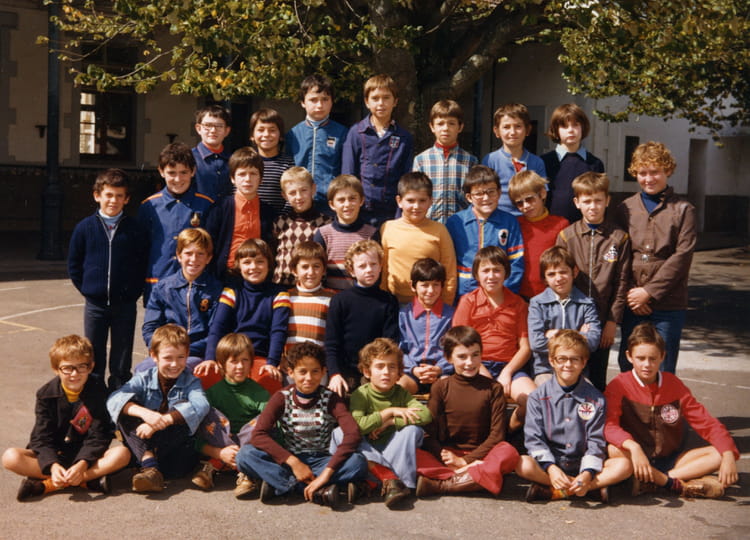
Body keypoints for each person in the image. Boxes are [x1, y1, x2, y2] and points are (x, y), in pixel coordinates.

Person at [605, 323, 739, 498]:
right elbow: (609, 425)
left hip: (672, 460)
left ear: (662, 356)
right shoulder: (619, 384)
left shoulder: (673, 384)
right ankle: (676, 484)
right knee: (614, 450)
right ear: (629, 357)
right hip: (637, 458)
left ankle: (658, 481)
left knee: (719, 454)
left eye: (653, 359)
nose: (647, 364)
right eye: (641, 358)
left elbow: (706, 422)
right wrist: (634, 446)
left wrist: (728, 453)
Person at [234, 342, 368, 508]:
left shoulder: (331, 398)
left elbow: (352, 433)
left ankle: (284, 485)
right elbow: (258, 434)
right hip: (289, 459)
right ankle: (315, 490)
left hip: (321, 460)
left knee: (358, 462)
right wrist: (294, 463)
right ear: (291, 372)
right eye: (302, 372)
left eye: (315, 371)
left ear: (324, 371)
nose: (309, 378)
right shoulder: (281, 397)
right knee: (244, 455)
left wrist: (326, 474)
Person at [2, 335, 131, 501]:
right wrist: (52, 465)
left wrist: (82, 463)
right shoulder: (45, 394)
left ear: (91, 366)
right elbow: (40, 438)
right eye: (67, 368)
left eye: (81, 367)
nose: (75, 374)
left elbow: (99, 435)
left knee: (122, 454)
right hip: (55, 455)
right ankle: (85, 481)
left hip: (86, 456)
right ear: (56, 369)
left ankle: (50, 484)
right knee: (10, 457)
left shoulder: (98, 391)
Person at [516, 330, 631, 502]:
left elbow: (596, 440)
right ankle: (585, 489)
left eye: (574, 359)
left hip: (582, 462)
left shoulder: (596, 398)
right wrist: (551, 468)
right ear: (551, 361)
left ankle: (563, 489)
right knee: (522, 463)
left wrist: (587, 473)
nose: (568, 365)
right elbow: (534, 439)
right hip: (552, 463)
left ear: (584, 362)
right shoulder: (537, 397)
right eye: (561, 359)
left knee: (624, 465)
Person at [615, 142, 696, 374]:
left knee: (663, 367)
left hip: (668, 304)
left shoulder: (684, 209)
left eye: (655, 172)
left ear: (667, 171)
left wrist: (649, 292)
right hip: (633, 303)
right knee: (629, 366)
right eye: (642, 173)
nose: (648, 179)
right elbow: (618, 254)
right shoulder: (625, 208)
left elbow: (682, 257)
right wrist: (632, 292)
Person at [415, 326, 519, 498]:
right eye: (462, 357)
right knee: (414, 454)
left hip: (482, 455)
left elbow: (497, 435)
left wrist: (465, 461)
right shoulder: (441, 387)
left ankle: (442, 485)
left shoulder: (493, 388)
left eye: (475, 355)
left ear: (481, 354)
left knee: (508, 453)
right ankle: (473, 478)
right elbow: (428, 432)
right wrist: (444, 456)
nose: (470, 363)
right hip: (449, 455)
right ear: (449, 358)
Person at [68, 168, 147, 389]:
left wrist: (133, 291)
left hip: (125, 304)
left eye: (119, 196)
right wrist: (89, 290)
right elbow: (74, 264)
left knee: (122, 355)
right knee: (93, 353)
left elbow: (142, 263)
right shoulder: (84, 228)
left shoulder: (135, 229)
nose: (113, 200)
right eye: (109, 195)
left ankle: (119, 395)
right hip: (96, 306)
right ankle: (95, 395)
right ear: (97, 195)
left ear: (127, 199)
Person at [107, 324, 210, 493]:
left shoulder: (191, 381)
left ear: (187, 355)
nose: (174, 364)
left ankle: (146, 465)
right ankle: (150, 466)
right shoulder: (144, 378)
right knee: (125, 408)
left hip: (174, 448)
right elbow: (114, 399)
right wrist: (145, 413)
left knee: (185, 407)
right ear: (154, 356)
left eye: (180, 357)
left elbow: (202, 405)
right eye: (168, 358)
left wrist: (163, 421)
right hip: (144, 440)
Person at [556, 171, 631, 390]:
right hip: (572, 319)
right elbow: (559, 280)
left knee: (597, 378)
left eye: (598, 200)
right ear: (577, 203)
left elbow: (621, 282)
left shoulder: (619, 238)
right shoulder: (566, 237)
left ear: (607, 201)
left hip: (602, 319)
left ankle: (596, 411)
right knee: (569, 373)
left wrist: (612, 321)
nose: (593, 206)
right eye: (587, 201)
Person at [340, 337, 431, 508]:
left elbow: (425, 415)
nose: (386, 372)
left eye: (392, 367)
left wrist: (390, 422)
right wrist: (388, 412)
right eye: (380, 366)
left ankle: (374, 482)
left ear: (399, 372)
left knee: (413, 431)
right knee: (339, 433)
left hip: (393, 449)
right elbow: (357, 426)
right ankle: (391, 480)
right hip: (368, 450)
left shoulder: (400, 393)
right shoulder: (361, 394)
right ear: (367, 372)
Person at [453, 246, 535, 430]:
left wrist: (507, 373)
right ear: (476, 274)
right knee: (479, 402)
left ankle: (508, 432)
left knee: (533, 401)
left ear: (506, 273)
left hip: (510, 367)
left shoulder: (518, 304)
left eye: (497, 270)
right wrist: (482, 372)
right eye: (486, 270)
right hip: (475, 366)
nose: (491, 276)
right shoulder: (468, 301)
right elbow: (459, 344)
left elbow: (525, 347)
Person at [202, 239, 290, 393]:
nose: (253, 267)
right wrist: (210, 358)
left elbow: (278, 331)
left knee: (270, 379)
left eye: (260, 262)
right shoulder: (232, 291)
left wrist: (272, 362)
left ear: (269, 264)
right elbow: (218, 326)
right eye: (247, 262)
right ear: (239, 265)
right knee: (206, 375)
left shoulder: (279, 294)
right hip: (232, 355)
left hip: (259, 356)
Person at [192, 333, 269, 498]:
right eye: (234, 361)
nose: (240, 366)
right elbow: (198, 434)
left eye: (245, 360)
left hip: (248, 443)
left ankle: (238, 468)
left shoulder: (259, 393)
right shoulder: (214, 392)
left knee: (266, 419)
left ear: (251, 363)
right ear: (221, 364)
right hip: (220, 442)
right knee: (207, 412)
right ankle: (225, 461)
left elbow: (271, 423)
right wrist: (219, 452)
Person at [138, 227, 222, 374]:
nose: (194, 259)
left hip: (197, 354)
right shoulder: (163, 288)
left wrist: (183, 351)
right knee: (143, 370)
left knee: (183, 370)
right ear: (179, 255)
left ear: (208, 258)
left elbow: (216, 331)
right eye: (188, 253)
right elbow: (150, 327)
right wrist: (164, 349)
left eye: (200, 254)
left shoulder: (216, 290)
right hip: (166, 351)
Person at [138, 142, 214, 303]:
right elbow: (141, 249)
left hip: (195, 283)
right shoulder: (149, 206)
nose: (178, 179)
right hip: (158, 282)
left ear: (193, 171)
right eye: (171, 173)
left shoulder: (206, 205)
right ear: (161, 171)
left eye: (183, 172)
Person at [325, 239, 399, 397]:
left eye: (373, 264)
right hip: (346, 371)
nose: (369, 270)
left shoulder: (388, 301)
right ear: (351, 271)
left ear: (381, 266)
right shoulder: (340, 301)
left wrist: (376, 371)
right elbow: (331, 343)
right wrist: (334, 374)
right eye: (362, 266)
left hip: (376, 370)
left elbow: (389, 342)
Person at [342, 74, 414, 227]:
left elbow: (405, 180)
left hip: (392, 213)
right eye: (375, 98)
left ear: (395, 101)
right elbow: (348, 175)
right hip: (360, 212)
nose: (381, 103)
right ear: (367, 102)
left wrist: (400, 215)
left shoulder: (404, 137)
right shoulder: (356, 133)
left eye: (386, 98)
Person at [446, 165, 525, 297]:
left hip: (499, 294)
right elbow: (447, 262)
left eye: (491, 192)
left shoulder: (509, 222)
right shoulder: (455, 223)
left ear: (499, 193)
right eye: (479, 194)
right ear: (469, 197)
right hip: (464, 293)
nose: (486, 198)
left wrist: (505, 292)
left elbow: (516, 262)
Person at [380, 172, 457, 305]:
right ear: (399, 201)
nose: (416, 206)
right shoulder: (388, 228)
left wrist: (445, 305)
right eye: (410, 201)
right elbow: (383, 269)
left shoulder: (439, 230)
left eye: (422, 201)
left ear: (431, 201)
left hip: (429, 304)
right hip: (394, 302)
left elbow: (449, 272)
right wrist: (383, 301)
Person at [528, 246, 601, 384]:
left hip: (577, 371)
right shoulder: (537, 303)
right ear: (544, 279)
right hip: (546, 370)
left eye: (563, 272)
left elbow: (593, 341)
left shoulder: (586, 303)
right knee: (546, 394)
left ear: (574, 272)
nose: (558, 278)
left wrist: (556, 334)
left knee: (588, 394)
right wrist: (579, 335)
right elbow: (536, 343)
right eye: (551, 274)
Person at [206, 146, 277, 280]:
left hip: (257, 276)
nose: (248, 179)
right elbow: (209, 245)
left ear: (261, 178)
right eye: (242, 174)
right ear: (232, 178)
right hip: (225, 276)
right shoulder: (219, 209)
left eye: (253, 174)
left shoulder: (269, 212)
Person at [285, 74, 348, 213]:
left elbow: (345, 170)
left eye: (325, 99)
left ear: (332, 102)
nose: (319, 105)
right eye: (313, 100)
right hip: (299, 203)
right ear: (303, 102)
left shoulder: (342, 133)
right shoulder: (293, 134)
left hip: (330, 205)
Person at [412, 99, 478, 224]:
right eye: (440, 123)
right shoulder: (421, 160)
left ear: (460, 127)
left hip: (461, 225)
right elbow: (415, 194)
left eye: (451, 123)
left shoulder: (470, 161)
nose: (446, 128)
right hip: (429, 224)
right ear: (432, 127)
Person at [508, 170, 569, 299]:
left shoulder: (560, 225)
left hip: (550, 295)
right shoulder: (515, 225)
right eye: (519, 203)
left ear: (542, 193)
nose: (526, 206)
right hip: (519, 295)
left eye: (530, 199)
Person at [313, 175, 380, 290]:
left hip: (362, 297)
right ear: (332, 204)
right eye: (341, 200)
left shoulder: (371, 234)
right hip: (330, 297)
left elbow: (377, 271)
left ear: (361, 201)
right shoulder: (323, 234)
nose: (347, 204)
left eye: (352, 198)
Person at [398, 258, 455, 395]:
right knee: (399, 388)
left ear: (442, 286)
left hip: (442, 372)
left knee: (449, 389)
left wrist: (439, 368)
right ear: (413, 286)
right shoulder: (404, 315)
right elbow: (398, 349)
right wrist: (413, 369)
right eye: (425, 285)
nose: (430, 290)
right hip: (412, 372)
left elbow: (456, 348)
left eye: (436, 285)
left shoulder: (451, 315)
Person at [541, 103, 605, 222]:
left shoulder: (594, 163)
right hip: (551, 226)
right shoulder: (543, 162)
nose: (570, 130)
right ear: (556, 130)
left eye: (575, 125)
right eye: (564, 126)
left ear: (583, 127)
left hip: (583, 228)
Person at [481, 103, 546, 215]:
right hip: (499, 218)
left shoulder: (536, 162)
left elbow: (542, 195)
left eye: (518, 126)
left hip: (528, 219)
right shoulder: (490, 160)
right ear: (496, 131)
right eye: (506, 127)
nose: (512, 132)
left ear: (528, 130)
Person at [272, 166, 331, 286]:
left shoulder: (326, 223)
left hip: (314, 288)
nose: (298, 197)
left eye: (303, 190)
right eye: (292, 193)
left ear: (313, 189)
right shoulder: (280, 222)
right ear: (284, 195)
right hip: (282, 287)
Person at [284, 241, 337, 352]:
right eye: (305, 267)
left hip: (318, 359)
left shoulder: (332, 298)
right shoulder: (286, 297)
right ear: (294, 270)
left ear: (324, 270)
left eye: (316, 266)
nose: (311, 272)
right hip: (289, 359)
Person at [250, 108, 296, 213]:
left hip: (279, 220)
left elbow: (292, 195)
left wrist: (281, 219)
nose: (266, 134)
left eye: (272, 130)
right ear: (252, 135)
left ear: (281, 135)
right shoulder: (246, 162)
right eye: (261, 130)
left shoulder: (288, 164)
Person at [191, 104, 233, 201]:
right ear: (198, 128)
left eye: (219, 126)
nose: (213, 130)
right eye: (208, 125)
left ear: (227, 131)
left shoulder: (233, 160)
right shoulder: (189, 158)